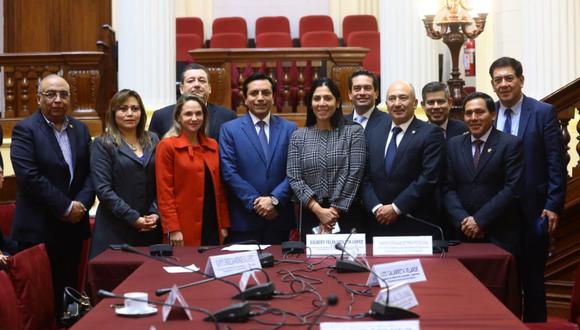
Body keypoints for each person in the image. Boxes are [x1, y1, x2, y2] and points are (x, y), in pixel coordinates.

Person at [10, 74, 95, 317]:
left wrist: (81, 204)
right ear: (38, 98)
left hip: (73, 228)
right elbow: (29, 177)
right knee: (41, 301)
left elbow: (91, 173)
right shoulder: (25, 130)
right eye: (51, 94)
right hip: (39, 229)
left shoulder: (80, 129)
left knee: (69, 299)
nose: (58, 99)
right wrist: (66, 207)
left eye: (63, 94)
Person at [490, 57, 566, 322]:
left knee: (533, 279)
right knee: (501, 280)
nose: (504, 84)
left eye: (509, 78)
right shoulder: (488, 114)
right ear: (492, 84)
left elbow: (556, 161)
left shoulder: (543, 112)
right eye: (498, 80)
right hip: (497, 213)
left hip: (534, 210)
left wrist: (553, 204)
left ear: (521, 80)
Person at [219, 72, 297, 244]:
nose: (260, 98)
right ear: (245, 99)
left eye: (265, 93)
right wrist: (256, 202)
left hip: (279, 217)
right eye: (254, 93)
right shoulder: (229, 130)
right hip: (244, 219)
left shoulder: (290, 129)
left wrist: (274, 200)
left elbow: (295, 170)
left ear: (274, 97)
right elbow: (229, 172)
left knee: (281, 269)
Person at [361, 80, 445, 238]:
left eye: (403, 98)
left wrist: (396, 208)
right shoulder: (374, 132)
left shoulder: (430, 133)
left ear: (415, 103)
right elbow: (364, 175)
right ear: (386, 104)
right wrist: (376, 207)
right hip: (377, 222)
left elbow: (429, 177)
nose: (397, 103)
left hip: (414, 222)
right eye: (392, 99)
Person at [444, 92, 524, 255]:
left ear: (493, 115)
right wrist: (464, 221)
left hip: (499, 233)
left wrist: (479, 221)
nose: (473, 117)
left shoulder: (510, 144)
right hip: (462, 233)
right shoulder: (454, 145)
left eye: (480, 112)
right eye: (468, 113)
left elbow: (512, 189)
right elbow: (447, 187)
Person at [287, 78, 366, 239]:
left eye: (327, 98)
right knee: (311, 263)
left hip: (346, 211)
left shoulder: (354, 132)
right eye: (316, 98)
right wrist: (319, 210)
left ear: (337, 103)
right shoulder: (298, 136)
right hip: (311, 213)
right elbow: (294, 177)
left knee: (348, 263)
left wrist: (332, 213)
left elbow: (355, 174)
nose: (322, 103)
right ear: (310, 103)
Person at [89, 89, 162, 259]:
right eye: (123, 109)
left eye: (135, 109)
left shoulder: (154, 139)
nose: (130, 113)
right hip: (115, 229)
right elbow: (103, 190)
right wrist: (133, 218)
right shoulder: (103, 144)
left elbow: (162, 181)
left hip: (150, 228)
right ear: (113, 113)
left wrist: (155, 213)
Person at [156, 94, 230, 246]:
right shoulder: (167, 146)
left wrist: (223, 224)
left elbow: (220, 189)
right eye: (188, 114)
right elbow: (165, 192)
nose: (194, 118)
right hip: (184, 225)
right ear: (178, 117)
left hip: (213, 223)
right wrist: (173, 228)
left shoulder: (212, 145)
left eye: (198, 113)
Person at [149, 63, 237, 140]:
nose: (197, 85)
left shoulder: (228, 116)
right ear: (181, 89)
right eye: (191, 81)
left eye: (202, 81)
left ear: (209, 88)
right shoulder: (161, 116)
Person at [345, 69, 389, 134]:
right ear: (350, 94)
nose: (362, 93)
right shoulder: (341, 124)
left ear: (376, 93)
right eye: (357, 88)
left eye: (367, 88)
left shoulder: (388, 122)